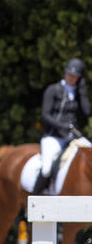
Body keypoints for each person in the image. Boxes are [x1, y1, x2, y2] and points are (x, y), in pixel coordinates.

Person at [34, 57, 90, 194]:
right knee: (47, 169)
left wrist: (82, 92)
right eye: (69, 74)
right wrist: (63, 126)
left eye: (75, 76)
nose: (71, 78)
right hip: (54, 137)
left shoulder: (77, 93)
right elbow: (45, 115)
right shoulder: (53, 89)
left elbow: (87, 111)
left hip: (72, 139)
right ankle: (33, 202)